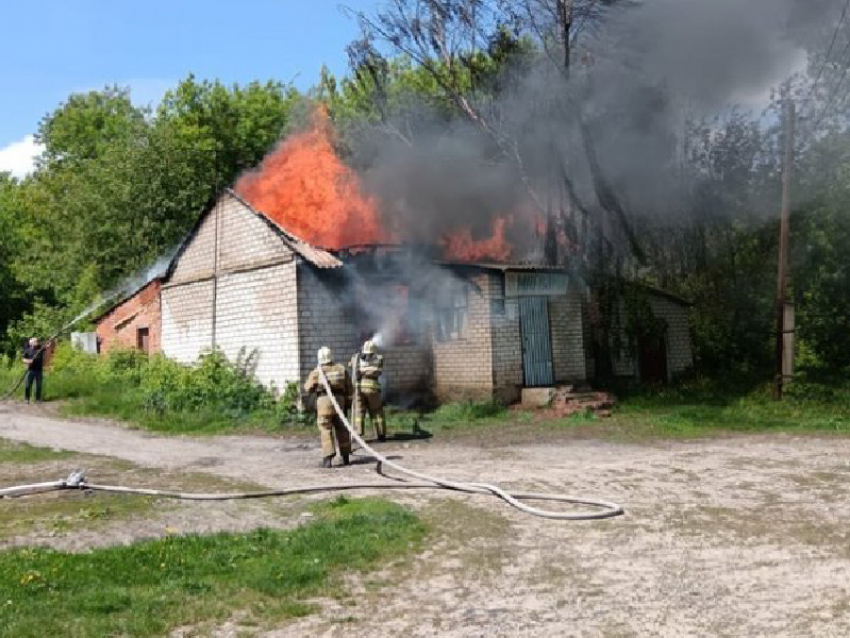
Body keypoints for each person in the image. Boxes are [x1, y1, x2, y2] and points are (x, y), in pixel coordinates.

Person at [303, 347, 353, 468]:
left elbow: (307, 388)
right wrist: (348, 403)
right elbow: (350, 388)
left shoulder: (317, 372)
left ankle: (328, 459)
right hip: (339, 401)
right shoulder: (341, 369)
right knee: (342, 428)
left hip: (324, 402)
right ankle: (346, 456)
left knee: (325, 428)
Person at [351, 339, 386, 441]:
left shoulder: (359, 360)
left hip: (360, 388)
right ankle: (380, 434)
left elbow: (352, 367)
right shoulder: (378, 359)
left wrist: (358, 361)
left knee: (359, 411)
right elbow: (378, 368)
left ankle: (358, 433)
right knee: (377, 411)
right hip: (372, 388)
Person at [21, 337, 46, 404]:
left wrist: (51, 339)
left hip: (39, 370)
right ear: (31, 343)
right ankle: (27, 399)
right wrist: (28, 361)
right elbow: (23, 359)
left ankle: (38, 399)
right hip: (30, 370)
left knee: (39, 386)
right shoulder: (27, 350)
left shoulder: (40, 348)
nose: (36, 342)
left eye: (37, 341)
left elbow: (47, 344)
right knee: (28, 385)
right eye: (35, 341)